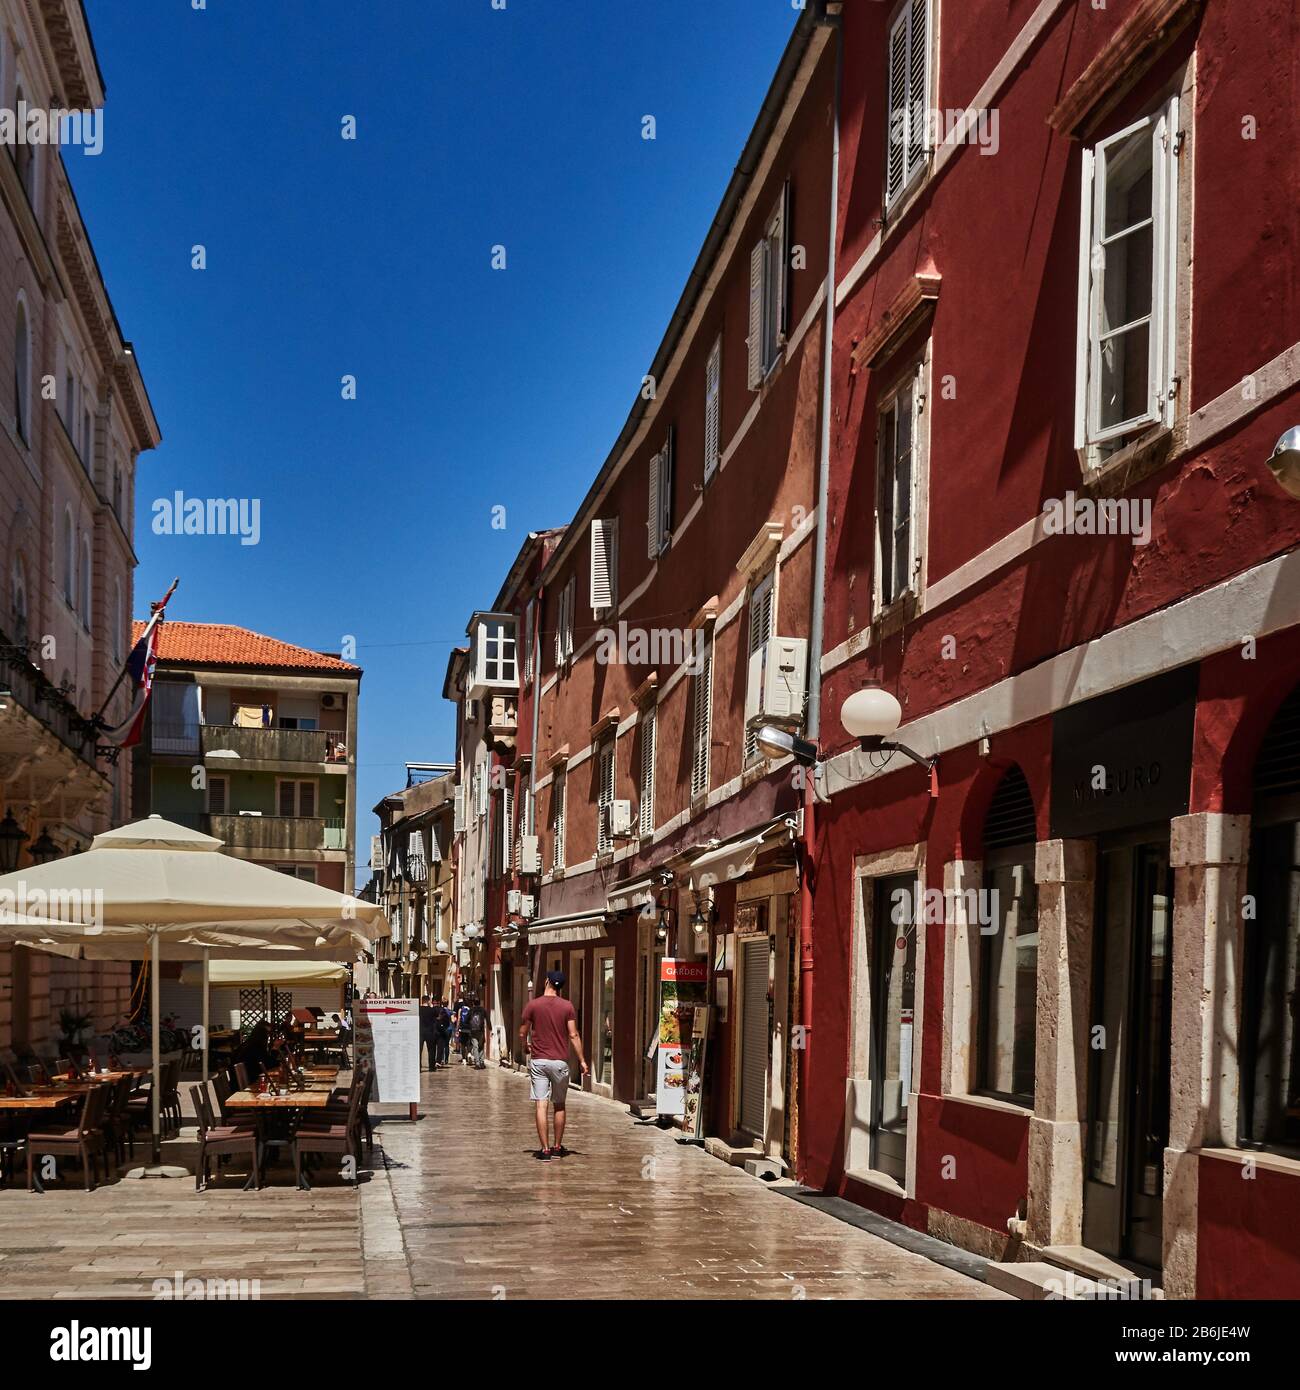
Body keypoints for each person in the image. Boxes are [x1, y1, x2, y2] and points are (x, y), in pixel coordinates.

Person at [519, 970, 588, 1160]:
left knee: (541, 1105)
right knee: (559, 1105)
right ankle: (558, 1147)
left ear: (547, 981)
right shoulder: (567, 1007)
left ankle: (545, 1149)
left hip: (539, 1061)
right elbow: (573, 1035)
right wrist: (582, 1060)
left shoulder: (533, 1005)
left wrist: (525, 1046)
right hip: (559, 1062)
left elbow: (522, 1032)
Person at [418, 994, 438, 1071]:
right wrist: (431, 1006)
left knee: (419, 1050)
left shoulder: (418, 1009)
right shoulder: (432, 1010)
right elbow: (437, 1016)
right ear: (428, 1001)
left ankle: (418, 1067)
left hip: (420, 1031)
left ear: (422, 1001)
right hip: (430, 1031)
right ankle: (431, 1067)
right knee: (431, 1050)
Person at [467, 997, 488, 1070]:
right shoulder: (483, 1010)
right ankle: (482, 1062)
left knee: (475, 1047)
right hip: (481, 1031)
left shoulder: (471, 1010)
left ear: (473, 1003)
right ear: (479, 1002)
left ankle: (477, 1063)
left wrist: (469, 1026)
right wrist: (490, 1027)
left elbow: (466, 1020)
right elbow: (487, 1019)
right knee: (481, 1046)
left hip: (473, 1031)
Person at [435, 999, 453, 1068]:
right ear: (448, 1004)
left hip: (442, 1029)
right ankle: (446, 1060)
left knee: (441, 1044)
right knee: (447, 1045)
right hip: (449, 1029)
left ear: (442, 1004)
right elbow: (453, 1020)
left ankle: (441, 1059)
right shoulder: (450, 1011)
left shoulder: (441, 1010)